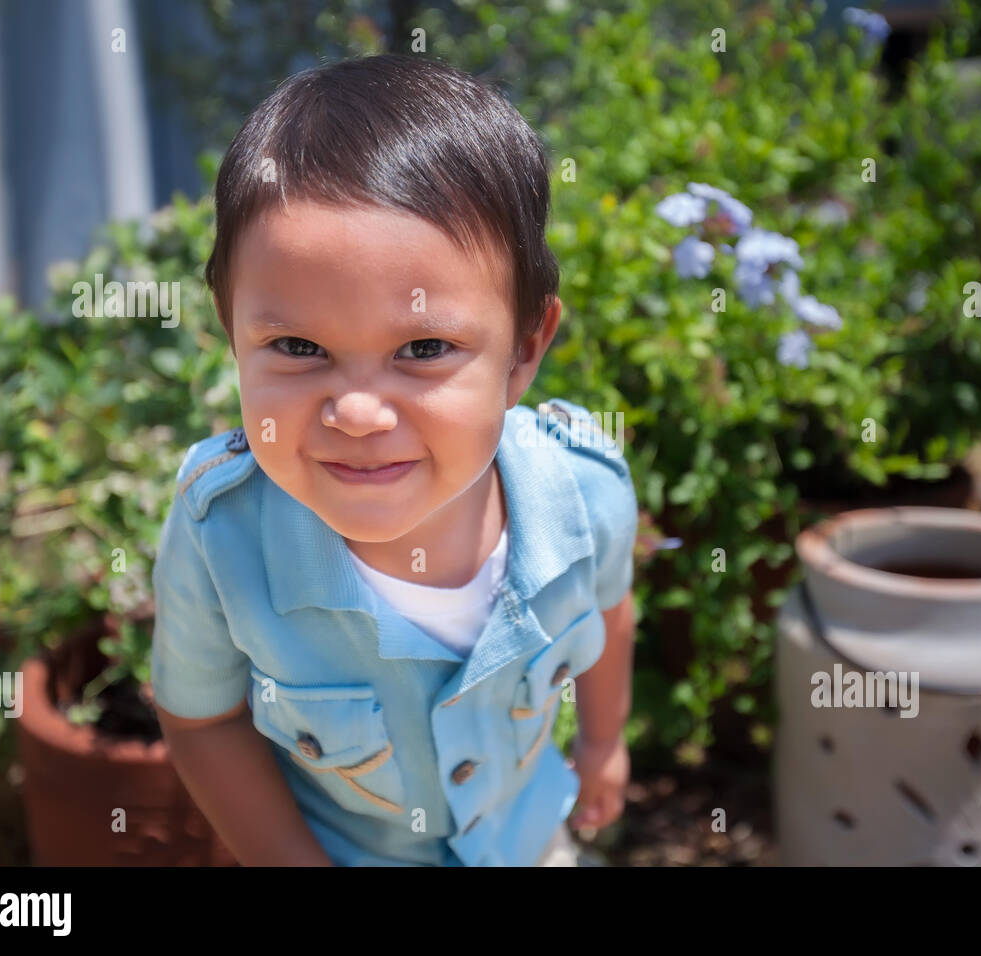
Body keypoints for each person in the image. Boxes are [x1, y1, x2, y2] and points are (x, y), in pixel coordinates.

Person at [149, 54, 638, 867]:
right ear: (231, 332)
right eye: (298, 347)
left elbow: (609, 608)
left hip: (529, 839)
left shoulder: (584, 491)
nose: (359, 413)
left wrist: (602, 743)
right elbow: (203, 719)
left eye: (422, 348)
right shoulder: (220, 532)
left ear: (524, 350)